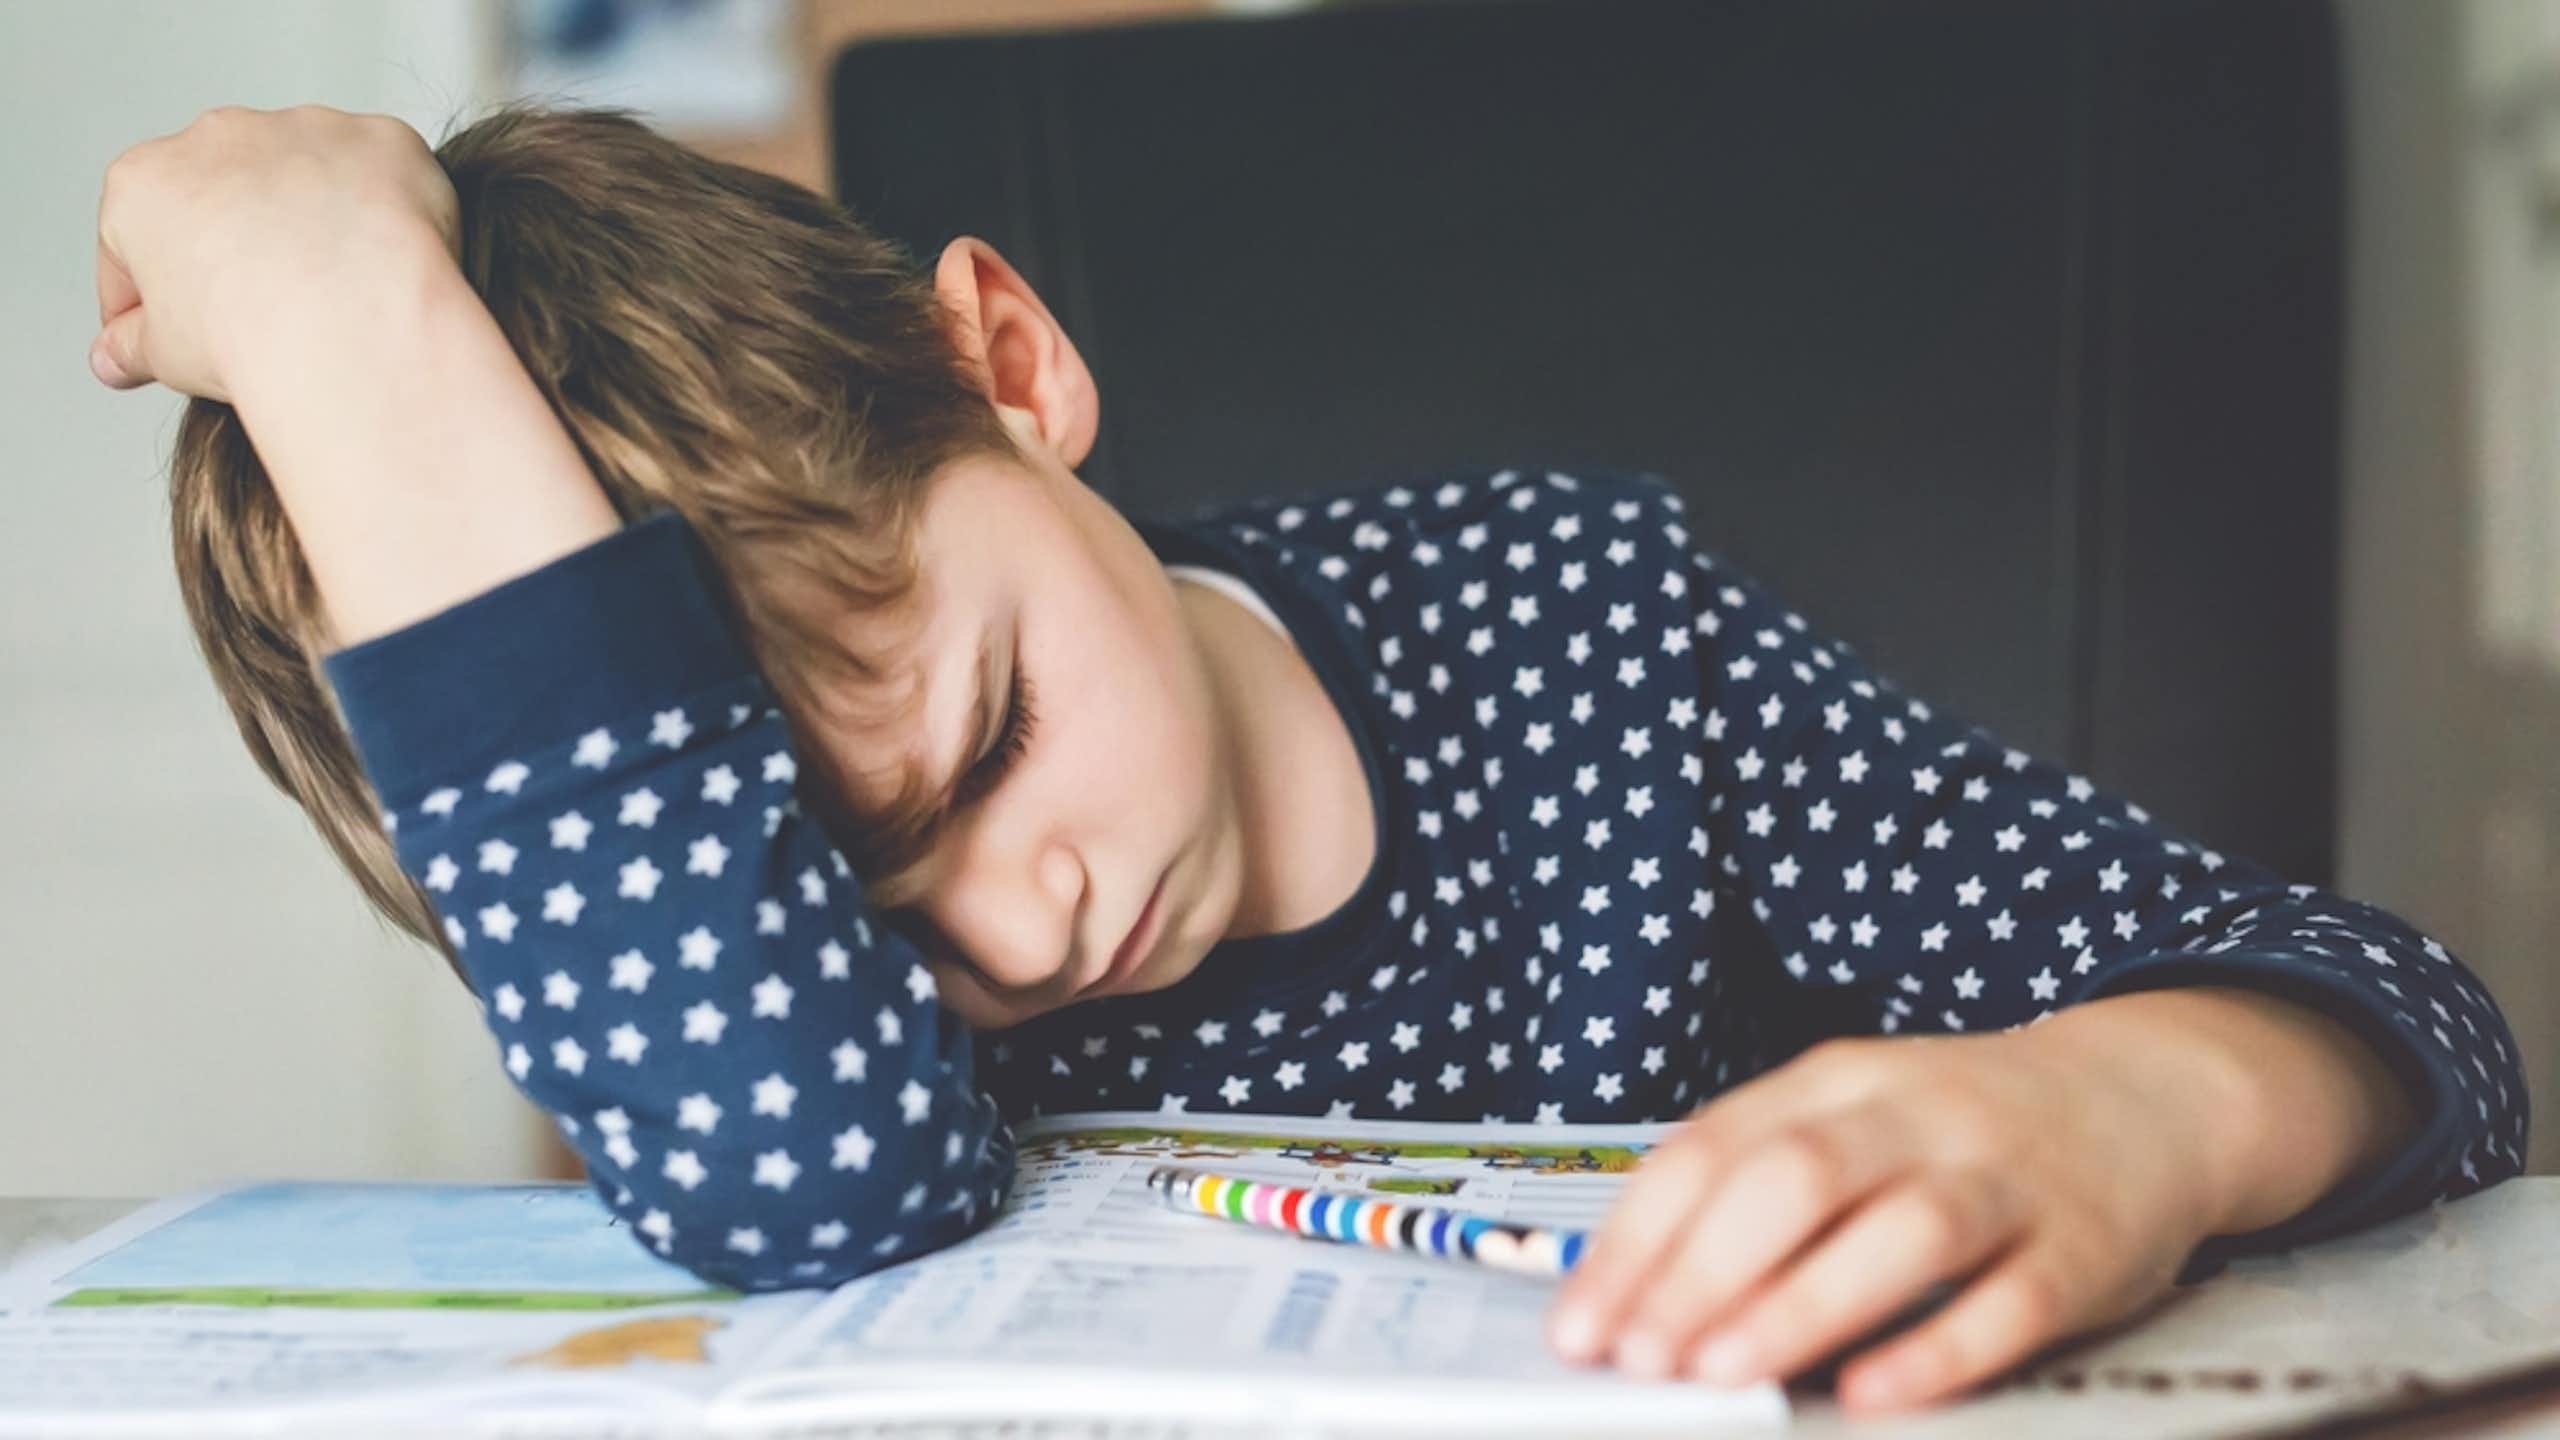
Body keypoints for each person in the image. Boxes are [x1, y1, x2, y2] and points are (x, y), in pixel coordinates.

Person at [89, 102, 2527, 1414]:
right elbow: (790, 1164)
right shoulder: (777, 1030)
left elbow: (2386, 1000)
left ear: (1008, 371)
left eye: (994, 744)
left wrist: (2123, 1107)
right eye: (849, 923)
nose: (1015, 933)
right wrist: (333, 310)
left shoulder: (1574, 637)